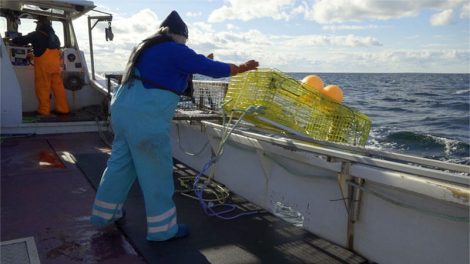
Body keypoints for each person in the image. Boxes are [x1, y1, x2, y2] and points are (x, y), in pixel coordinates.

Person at [90, 10, 259, 241]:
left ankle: (104, 215)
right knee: (156, 171)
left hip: (122, 109)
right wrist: (239, 67)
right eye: (185, 41)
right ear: (180, 35)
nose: (185, 44)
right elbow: (206, 67)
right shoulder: (175, 48)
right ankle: (163, 230)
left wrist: (201, 61)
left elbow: (170, 68)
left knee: (120, 164)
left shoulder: (145, 45)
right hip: (145, 116)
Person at [12, 16, 70, 116]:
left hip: (44, 67)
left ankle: (44, 110)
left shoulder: (36, 35)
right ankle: (63, 109)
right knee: (58, 88)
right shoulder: (56, 37)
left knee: (43, 88)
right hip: (55, 66)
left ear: (41, 25)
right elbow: (47, 49)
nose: (37, 25)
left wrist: (13, 39)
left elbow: (21, 40)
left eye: (38, 23)